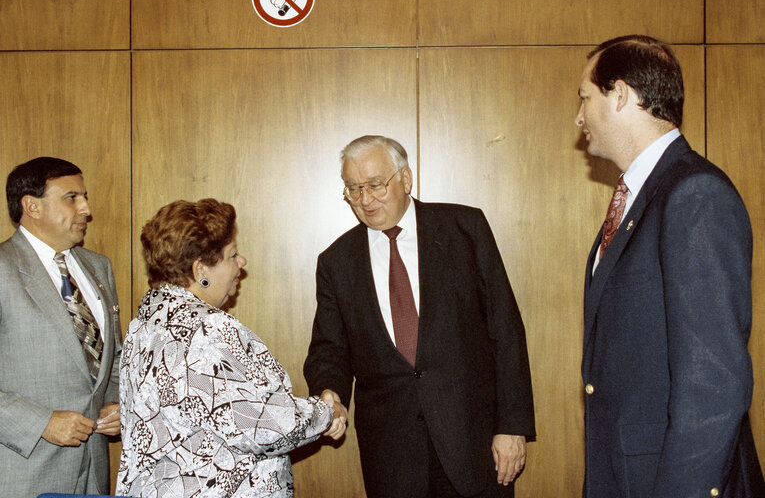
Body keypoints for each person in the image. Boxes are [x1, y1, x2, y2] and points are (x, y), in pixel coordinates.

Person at [576, 35, 765, 497]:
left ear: (619, 94)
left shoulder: (695, 195)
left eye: (584, 98)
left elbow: (714, 385)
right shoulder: (645, 195)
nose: (579, 117)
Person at [304, 135, 535, 497]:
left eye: (375, 185)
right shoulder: (336, 262)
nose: (365, 200)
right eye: (352, 189)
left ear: (406, 179)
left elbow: (505, 330)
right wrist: (329, 393)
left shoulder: (465, 228)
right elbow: (328, 348)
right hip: (392, 456)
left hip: (473, 443)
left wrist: (512, 426)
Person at [117, 198, 347, 498]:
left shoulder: (146, 322)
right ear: (201, 269)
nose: (242, 262)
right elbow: (262, 427)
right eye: (231, 255)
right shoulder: (206, 329)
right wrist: (325, 412)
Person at [0, 157, 122, 495]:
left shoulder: (98, 267)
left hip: (92, 473)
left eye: (84, 196)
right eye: (72, 197)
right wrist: (41, 423)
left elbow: (114, 358)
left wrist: (115, 403)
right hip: (21, 475)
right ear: (32, 206)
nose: (86, 209)